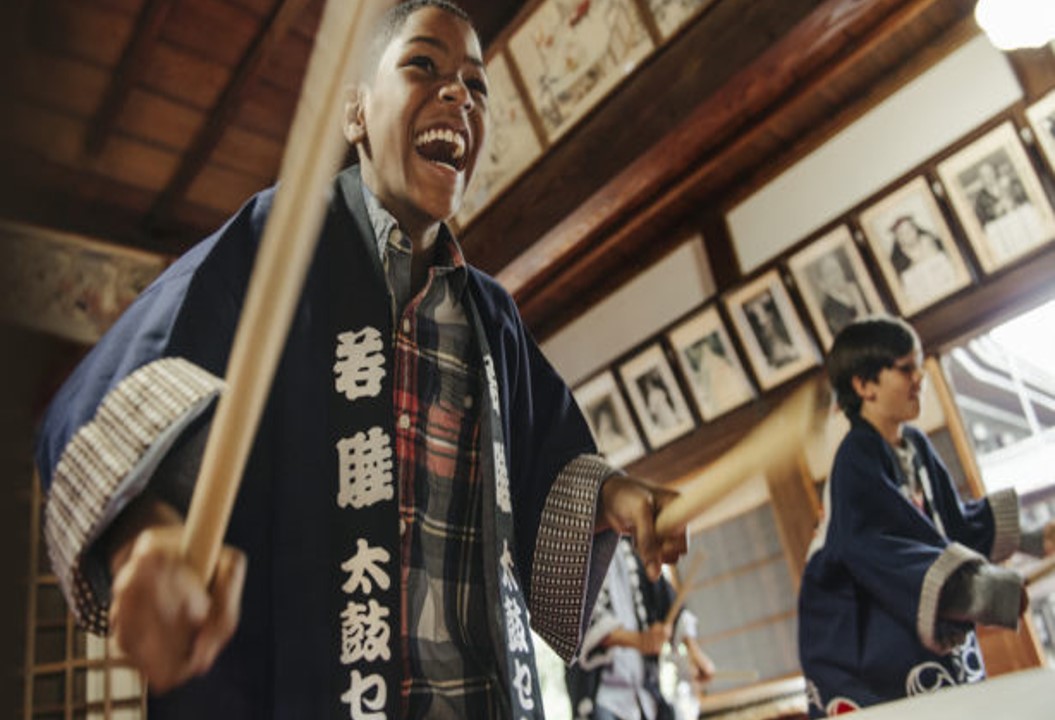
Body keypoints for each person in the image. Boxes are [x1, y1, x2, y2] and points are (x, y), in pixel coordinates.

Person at [33, 3, 688, 719]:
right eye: (422, 65)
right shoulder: (274, 242)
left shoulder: (489, 315)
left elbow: (547, 472)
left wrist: (616, 499)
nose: (458, 95)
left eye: (476, 84)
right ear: (354, 114)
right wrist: (148, 540)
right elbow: (119, 399)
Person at [797, 316, 1055, 717]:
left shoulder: (913, 445)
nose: (920, 377)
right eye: (905, 368)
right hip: (866, 635)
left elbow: (951, 526)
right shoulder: (855, 460)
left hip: (915, 615)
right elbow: (877, 551)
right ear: (864, 386)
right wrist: (982, 593)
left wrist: (1032, 538)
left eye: (918, 365)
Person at [566, 537, 715, 720]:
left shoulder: (635, 552)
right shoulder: (577, 550)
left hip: (642, 695)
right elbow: (580, 621)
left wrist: (694, 652)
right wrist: (641, 640)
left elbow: (668, 600)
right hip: (603, 695)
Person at [886, 215, 959, 309]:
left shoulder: (937, 252)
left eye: (909, 229)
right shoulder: (905, 275)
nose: (907, 235)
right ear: (898, 239)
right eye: (901, 233)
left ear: (916, 229)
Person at [809, 253, 869, 339]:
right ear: (822, 284)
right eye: (830, 273)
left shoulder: (860, 289)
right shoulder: (827, 312)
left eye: (837, 268)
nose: (837, 275)